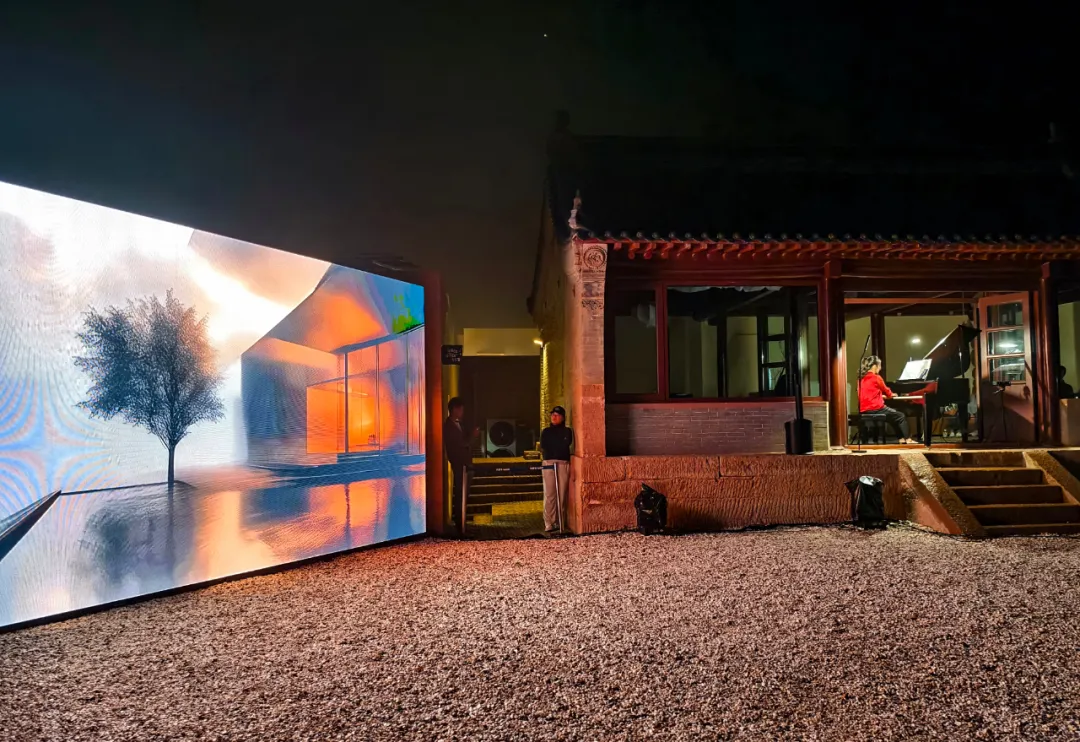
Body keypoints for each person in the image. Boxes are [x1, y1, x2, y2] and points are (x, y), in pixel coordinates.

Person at [858, 356, 917, 445]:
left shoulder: (861, 378)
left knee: (893, 417)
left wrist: (880, 396)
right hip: (876, 408)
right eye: (880, 366)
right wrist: (892, 394)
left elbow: (865, 394)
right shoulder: (876, 377)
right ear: (875, 366)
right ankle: (908, 439)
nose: (880, 368)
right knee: (901, 416)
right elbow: (888, 392)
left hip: (864, 409)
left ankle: (901, 439)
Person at [443, 398, 477, 532]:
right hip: (459, 464)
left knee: (464, 494)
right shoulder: (449, 426)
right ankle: (459, 525)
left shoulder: (459, 424)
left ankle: (462, 522)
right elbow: (460, 444)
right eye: (461, 409)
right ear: (454, 409)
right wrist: (472, 436)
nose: (462, 412)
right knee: (460, 493)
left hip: (465, 463)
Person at [540, 406, 574, 534]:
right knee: (550, 493)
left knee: (562, 493)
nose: (554, 417)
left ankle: (559, 522)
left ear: (563, 417)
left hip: (562, 462)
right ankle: (549, 522)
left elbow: (565, 444)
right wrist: (557, 445)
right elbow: (545, 446)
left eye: (557, 415)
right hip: (549, 463)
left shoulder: (567, 431)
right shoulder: (546, 431)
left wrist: (556, 445)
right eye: (552, 414)